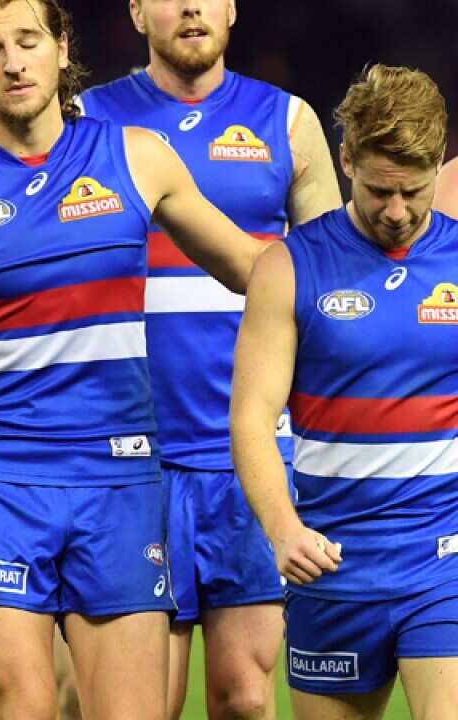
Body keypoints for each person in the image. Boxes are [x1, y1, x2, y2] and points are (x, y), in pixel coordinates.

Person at [0, 1, 271, 718]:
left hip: (120, 483)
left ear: (61, 46)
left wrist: (361, 271)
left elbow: (251, 268)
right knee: (24, 709)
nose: (13, 62)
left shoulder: (136, 157)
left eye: (28, 41)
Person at [77, 1, 343, 716]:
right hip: (128, 457)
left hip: (251, 457)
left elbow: (326, 294)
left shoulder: (288, 122)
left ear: (232, 7)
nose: (190, 6)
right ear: (136, 13)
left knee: (247, 697)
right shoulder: (84, 119)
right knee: (134, 703)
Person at [232, 64, 458, 720]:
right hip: (332, 565)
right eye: (379, 190)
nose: (397, 212)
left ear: (440, 167)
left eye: (414, 192)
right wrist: (283, 531)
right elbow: (250, 417)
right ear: (346, 160)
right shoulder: (289, 266)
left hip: (442, 557)